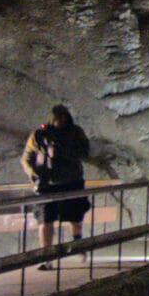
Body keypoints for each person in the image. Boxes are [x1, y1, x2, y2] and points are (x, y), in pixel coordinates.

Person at [24, 105, 94, 264]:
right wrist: (34, 174)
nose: (61, 121)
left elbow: (84, 152)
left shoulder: (76, 132)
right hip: (47, 185)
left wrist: (63, 152)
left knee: (75, 219)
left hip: (72, 182)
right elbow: (27, 158)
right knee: (45, 220)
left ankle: (77, 245)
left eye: (64, 118)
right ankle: (47, 257)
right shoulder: (39, 135)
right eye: (58, 118)